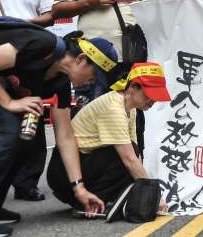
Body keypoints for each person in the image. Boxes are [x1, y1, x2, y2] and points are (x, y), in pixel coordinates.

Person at [0, 23, 117, 235]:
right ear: (80, 60)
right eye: (93, 76)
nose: (90, 82)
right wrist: (8, 102)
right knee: (8, 135)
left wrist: (79, 188)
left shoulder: (60, 82)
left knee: (27, 142)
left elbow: (65, 136)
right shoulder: (44, 44)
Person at [47, 62, 171, 217]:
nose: (153, 101)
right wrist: (154, 196)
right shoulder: (113, 107)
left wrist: (146, 192)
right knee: (123, 157)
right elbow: (129, 160)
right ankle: (87, 204)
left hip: (81, 165)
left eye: (156, 96)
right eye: (149, 95)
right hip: (65, 172)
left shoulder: (129, 108)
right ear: (132, 87)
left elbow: (135, 155)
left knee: (133, 151)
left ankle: (102, 198)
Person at [0, 0, 56, 203]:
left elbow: (49, 15)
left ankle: (28, 182)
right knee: (4, 125)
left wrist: (26, 25)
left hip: (30, 53)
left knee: (31, 116)